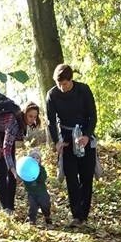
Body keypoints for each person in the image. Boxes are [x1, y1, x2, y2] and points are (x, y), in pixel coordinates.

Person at [46, 64, 97, 226]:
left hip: (84, 134)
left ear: (71, 80)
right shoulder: (52, 95)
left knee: (86, 176)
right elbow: (51, 121)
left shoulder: (83, 90)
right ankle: (76, 215)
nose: (62, 87)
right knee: (71, 177)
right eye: (59, 84)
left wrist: (87, 136)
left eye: (65, 84)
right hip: (67, 137)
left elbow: (93, 115)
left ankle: (84, 214)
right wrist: (57, 141)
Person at [22, 148, 51, 226]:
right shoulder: (27, 170)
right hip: (31, 192)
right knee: (32, 207)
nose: (35, 159)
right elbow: (24, 178)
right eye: (33, 157)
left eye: (37, 158)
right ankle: (32, 220)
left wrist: (37, 176)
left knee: (45, 205)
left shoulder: (41, 169)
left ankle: (47, 216)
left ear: (40, 160)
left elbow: (43, 178)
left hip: (42, 193)